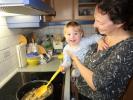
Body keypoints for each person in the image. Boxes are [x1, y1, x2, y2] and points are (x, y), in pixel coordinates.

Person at [67, 0, 133, 100]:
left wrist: (75, 60)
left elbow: (96, 83)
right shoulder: (106, 35)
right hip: (83, 92)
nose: (94, 25)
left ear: (119, 23)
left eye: (100, 22)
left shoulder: (128, 48)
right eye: (95, 19)